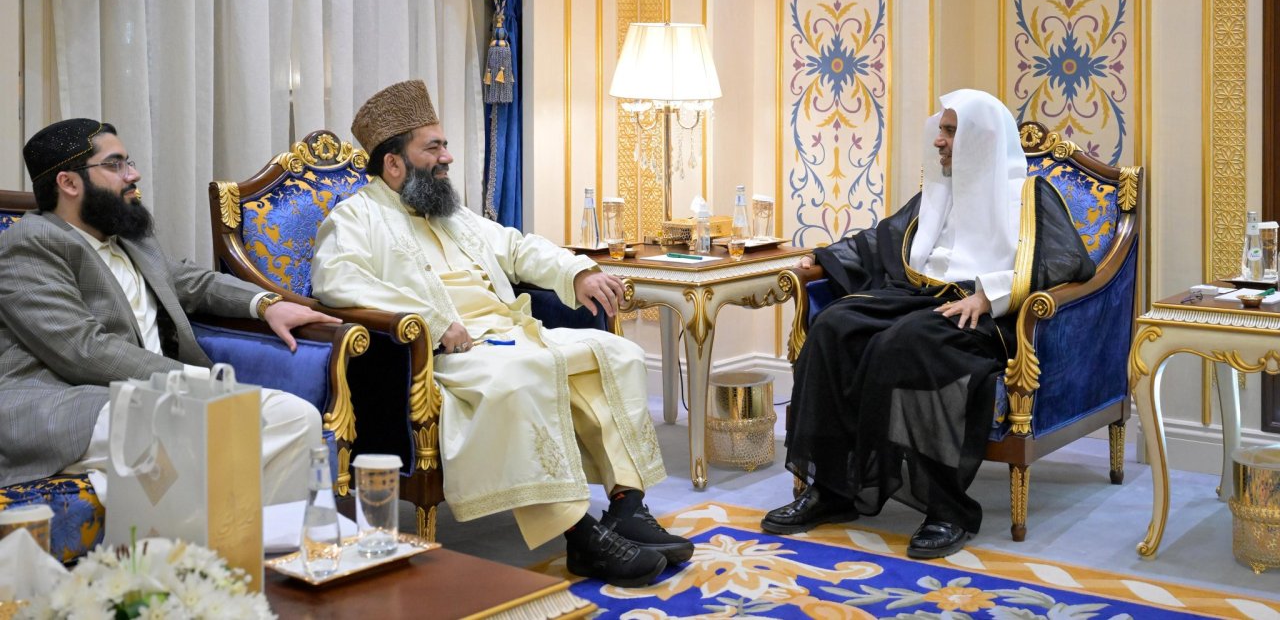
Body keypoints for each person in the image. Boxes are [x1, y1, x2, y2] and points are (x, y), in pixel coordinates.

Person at [311, 80, 691, 588]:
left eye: (445, 144)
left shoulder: (452, 214)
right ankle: (581, 538)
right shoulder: (355, 218)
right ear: (393, 164)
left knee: (616, 352)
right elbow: (337, 281)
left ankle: (626, 507)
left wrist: (576, 272)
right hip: (445, 353)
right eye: (433, 147)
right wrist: (429, 318)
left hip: (513, 333)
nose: (447, 157)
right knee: (526, 375)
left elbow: (518, 248)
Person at [761, 89, 1095, 559]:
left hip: (976, 312)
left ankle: (946, 509)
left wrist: (990, 293)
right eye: (940, 129)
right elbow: (880, 242)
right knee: (835, 327)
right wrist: (818, 260)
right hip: (915, 296)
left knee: (908, 344)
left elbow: (1068, 262)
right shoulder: (939, 191)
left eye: (951, 131)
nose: (939, 141)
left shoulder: (1029, 196)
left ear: (981, 138)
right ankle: (830, 490)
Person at [0, 119, 341, 504]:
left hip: (153, 396)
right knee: (207, 431)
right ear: (69, 183)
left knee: (299, 417)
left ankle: (265, 553)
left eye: (129, 162)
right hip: (70, 404)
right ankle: (203, 555)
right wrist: (196, 381)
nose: (134, 174)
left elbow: (190, 280)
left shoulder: (127, 234)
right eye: (115, 165)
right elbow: (82, 349)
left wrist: (266, 305)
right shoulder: (30, 243)